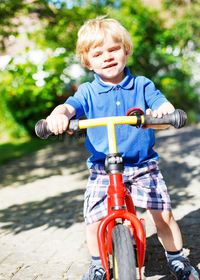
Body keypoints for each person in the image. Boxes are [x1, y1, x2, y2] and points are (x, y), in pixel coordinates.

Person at [45, 17, 199, 280]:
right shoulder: (87, 92)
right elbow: (68, 108)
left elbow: (162, 107)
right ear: (87, 61)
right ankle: (97, 264)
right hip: (103, 169)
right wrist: (58, 116)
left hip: (143, 166)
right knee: (93, 220)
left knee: (162, 215)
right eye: (97, 53)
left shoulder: (142, 85)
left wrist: (164, 112)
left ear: (126, 50)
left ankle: (177, 258)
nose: (106, 57)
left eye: (113, 49)